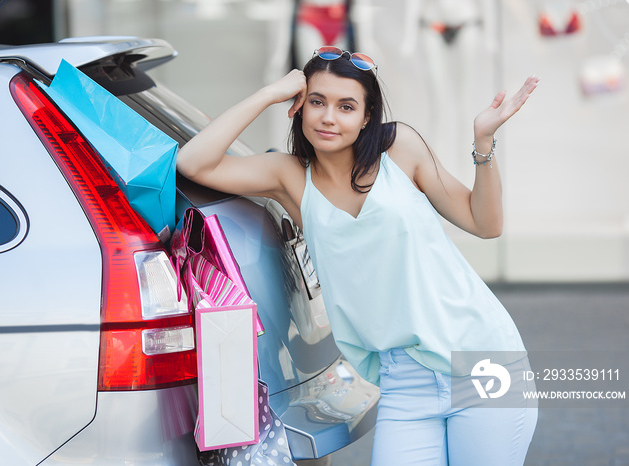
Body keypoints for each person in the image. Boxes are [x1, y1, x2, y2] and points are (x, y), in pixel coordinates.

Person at [177, 46, 540, 465]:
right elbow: (194, 163)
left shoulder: (399, 149)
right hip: (405, 381)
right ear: (300, 107)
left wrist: (483, 142)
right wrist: (270, 93)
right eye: (317, 102)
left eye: (346, 106)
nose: (328, 117)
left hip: (480, 357)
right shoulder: (291, 177)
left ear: (367, 116)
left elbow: (484, 223)